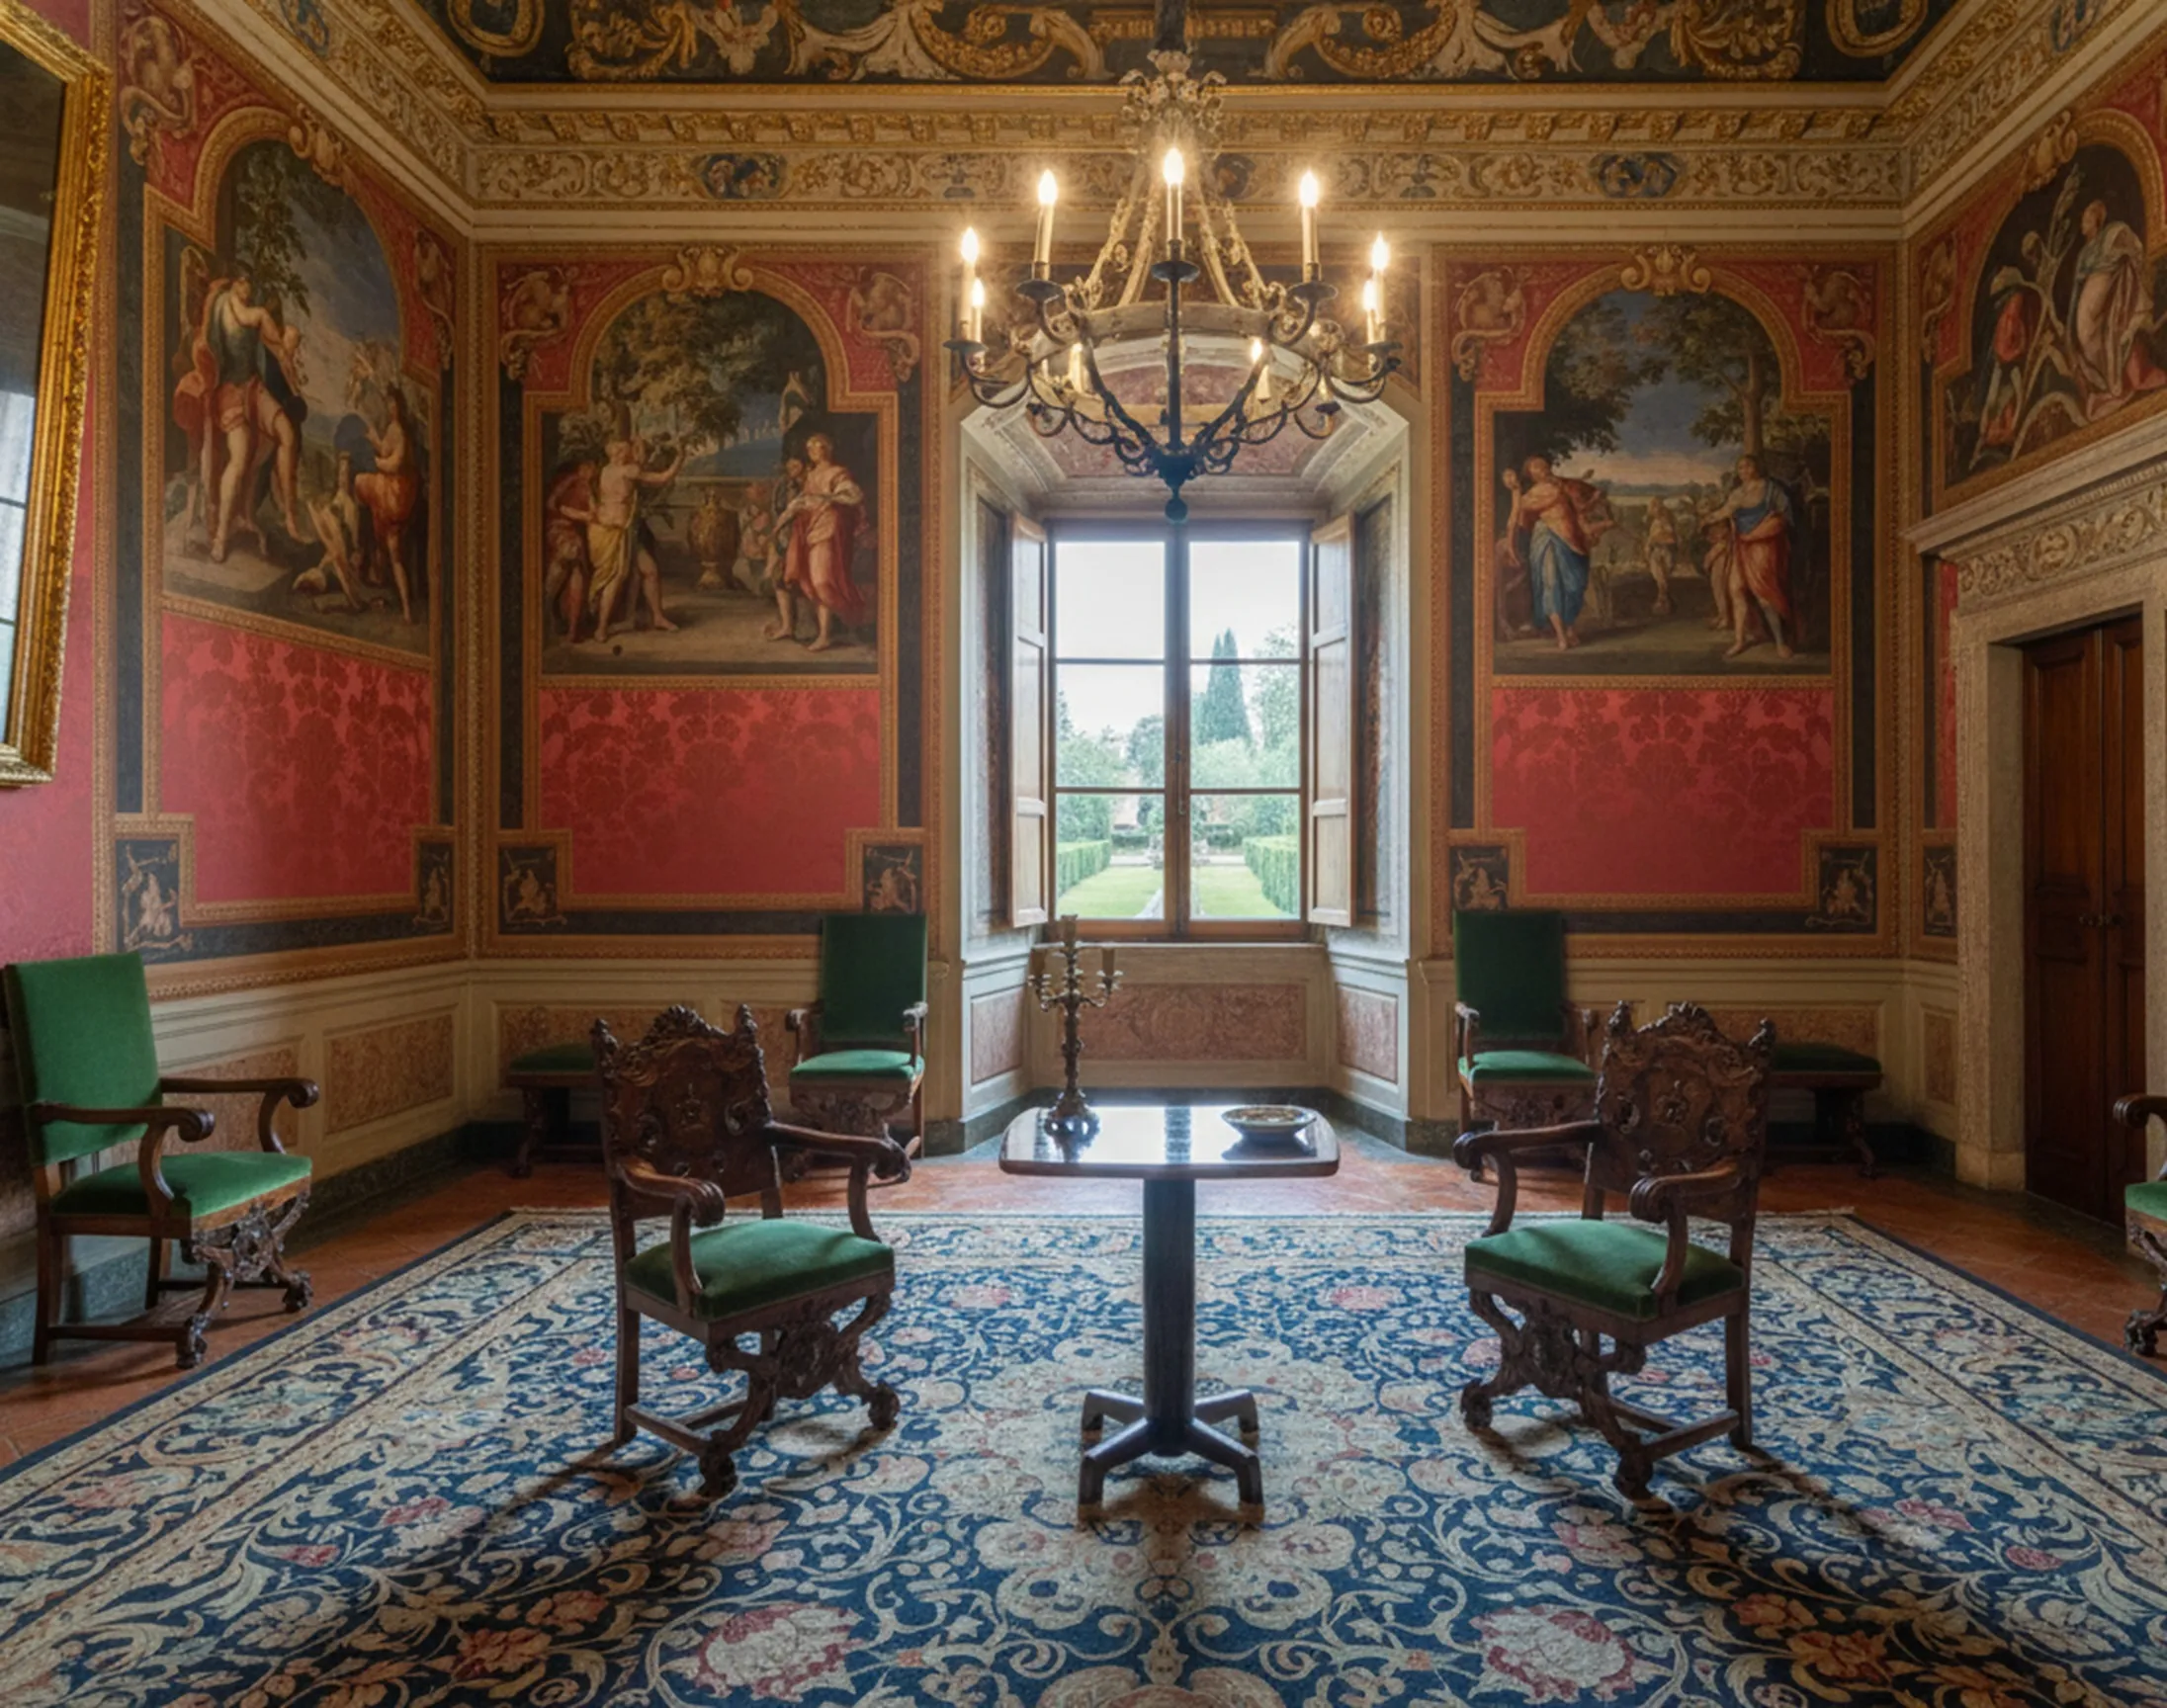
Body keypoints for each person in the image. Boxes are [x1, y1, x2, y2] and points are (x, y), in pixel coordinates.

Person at [177, 273, 306, 563]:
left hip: (252, 386)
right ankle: (221, 536)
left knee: (286, 432)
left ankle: (290, 517)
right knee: (238, 458)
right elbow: (252, 320)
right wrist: (271, 327)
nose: (249, 287)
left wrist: (288, 353)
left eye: (251, 283)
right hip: (230, 391)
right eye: (245, 282)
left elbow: (276, 348)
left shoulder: (251, 313)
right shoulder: (224, 304)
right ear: (235, 283)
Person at [1499, 455, 1613, 651]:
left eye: (1543, 464)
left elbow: (1580, 509)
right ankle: (1561, 635)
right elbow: (1516, 520)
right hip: (1547, 539)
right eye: (1536, 466)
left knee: (1574, 586)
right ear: (1531, 474)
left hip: (1573, 542)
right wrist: (1511, 546)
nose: (1543, 468)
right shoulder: (1531, 495)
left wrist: (1595, 499)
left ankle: (1569, 628)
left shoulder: (1563, 487)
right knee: (1551, 584)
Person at [2068, 198, 2167, 421]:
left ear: (2097, 219)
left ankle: (2114, 381)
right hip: (2089, 293)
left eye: (2088, 216)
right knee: (2085, 334)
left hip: (2105, 287)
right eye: (2083, 218)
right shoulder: (2084, 253)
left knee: (2098, 331)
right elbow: (2076, 287)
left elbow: (2132, 247)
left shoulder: (2110, 234)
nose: (2083, 221)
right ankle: (2105, 379)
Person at [769, 435, 866, 651]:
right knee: (812, 582)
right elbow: (801, 502)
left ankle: (843, 619)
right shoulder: (812, 474)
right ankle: (825, 634)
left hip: (829, 529)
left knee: (823, 581)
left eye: (817, 446)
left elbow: (853, 494)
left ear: (828, 448)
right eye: (809, 447)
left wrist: (826, 499)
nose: (812, 450)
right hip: (810, 530)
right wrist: (781, 521)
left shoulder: (837, 472)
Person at [1700, 454, 1798, 660]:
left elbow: (1785, 516)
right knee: (1736, 590)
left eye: (1747, 466)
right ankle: (1739, 640)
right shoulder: (1738, 493)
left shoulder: (1771, 489)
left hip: (1763, 547)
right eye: (1740, 468)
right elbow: (1724, 511)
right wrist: (1707, 518)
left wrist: (1764, 529)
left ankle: (1780, 643)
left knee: (1764, 594)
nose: (1743, 471)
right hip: (1741, 545)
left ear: (1757, 467)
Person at [586, 436, 683, 642]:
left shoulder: (607, 470)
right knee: (616, 577)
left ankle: (657, 617)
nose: (629, 453)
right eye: (626, 450)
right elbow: (663, 478)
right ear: (618, 453)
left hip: (619, 531)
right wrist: (680, 457)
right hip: (614, 533)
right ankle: (601, 627)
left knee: (650, 571)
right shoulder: (627, 471)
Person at [354, 387, 422, 624]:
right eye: (389, 404)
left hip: (396, 494)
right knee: (394, 552)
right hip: (392, 491)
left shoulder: (401, 431)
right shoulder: (393, 428)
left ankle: (363, 552)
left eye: (395, 404)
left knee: (359, 482)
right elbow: (385, 449)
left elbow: (394, 463)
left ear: (400, 407)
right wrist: (373, 439)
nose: (392, 408)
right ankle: (405, 608)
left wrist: (373, 460)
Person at [295, 452, 364, 612]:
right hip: (335, 561)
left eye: (346, 473)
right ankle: (349, 599)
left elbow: (351, 545)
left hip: (344, 562)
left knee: (330, 571)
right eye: (340, 473)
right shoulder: (330, 502)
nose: (342, 477)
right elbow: (334, 547)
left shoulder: (350, 505)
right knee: (321, 574)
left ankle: (351, 600)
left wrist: (354, 550)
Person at [543, 457, 597, 640]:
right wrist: (569, 512)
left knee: (577, 569)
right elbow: (551, 504)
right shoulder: (566, 482)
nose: (592, 474)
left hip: (574, 535)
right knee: (567, 562)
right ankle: (549, 612)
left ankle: (573, 628)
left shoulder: (587, 487)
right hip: (559, 530)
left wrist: (578, 514)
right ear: (581, 468)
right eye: (589, 469)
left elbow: (591, 515)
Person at [1641, 494, 1678, 616]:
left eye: (1654, 506)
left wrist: (1654, 540)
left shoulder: (1665, 521)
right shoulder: (1655, 522)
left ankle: (1663, 603)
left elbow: (1671, 539)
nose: (1652, 509)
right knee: (1659, 579)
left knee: (1661, 579)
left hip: (1663, 552)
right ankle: (1663, 602)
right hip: (1656, 553)